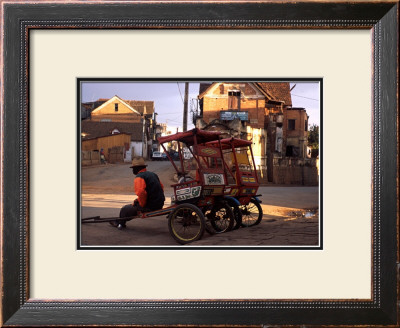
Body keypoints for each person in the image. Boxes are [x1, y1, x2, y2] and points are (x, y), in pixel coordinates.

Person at [110, 157, 165, 228]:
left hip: (150, 206)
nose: (132, 170)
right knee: (134, 204)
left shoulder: (139, 177)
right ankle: (120, 220)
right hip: (159, 204)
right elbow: (161, 187)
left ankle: (121, 223)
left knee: (125, 209)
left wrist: (141, 205)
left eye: (133, 168)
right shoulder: (153, 174)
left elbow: (141, 193)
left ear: (137, 168)